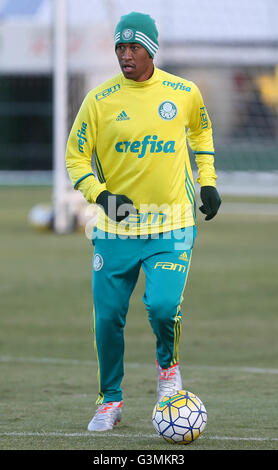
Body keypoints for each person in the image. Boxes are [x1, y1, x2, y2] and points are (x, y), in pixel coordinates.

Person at [65, 11, 221, 432]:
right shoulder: (98, 101)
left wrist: (207, 182)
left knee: (163, 306)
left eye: (133, 47)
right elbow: (75, 157)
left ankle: (168, 372)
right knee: (108, 317)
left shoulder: (183, 92)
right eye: (120, 47)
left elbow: (201, 134)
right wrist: (101, 196)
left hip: (172, 224)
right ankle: (109, 401)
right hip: (116, 228)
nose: (125, 55)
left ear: (151, 50)